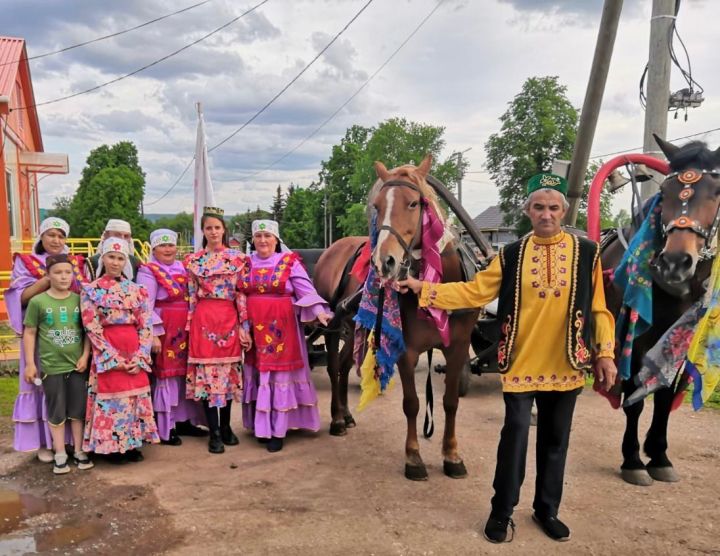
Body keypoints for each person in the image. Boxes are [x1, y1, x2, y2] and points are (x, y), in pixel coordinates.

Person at [399, 173, 618, 543]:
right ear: (527, 211)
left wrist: (606, 353)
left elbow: (598, 309)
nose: (546, 214)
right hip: (521, 362)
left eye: (552, 207)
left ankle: (547, 509)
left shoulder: (587, 253)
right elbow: (474, 292)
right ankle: (502, 511)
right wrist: (426, 290)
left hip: (566, 363)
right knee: (514, 435)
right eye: (538, 207)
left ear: (564, 210)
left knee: (555, 440)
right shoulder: (511, 254)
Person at [241, 220, 332, 453]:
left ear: (276, 239)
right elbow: (239, 294)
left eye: (268, 236)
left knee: (279, 377)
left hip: (283, 328)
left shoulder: (288, 262)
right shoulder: (245, 264)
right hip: (255, 329)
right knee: (261, 375)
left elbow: (305, 289)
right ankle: (262, 427)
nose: (263, 240)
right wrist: (242, 325)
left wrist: (320, 312)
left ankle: (278, 430)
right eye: (259, 235)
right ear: (253, 239)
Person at [6, 217, 87, 460]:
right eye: (51, 234)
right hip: (40, 333)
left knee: (70, 391)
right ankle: (44, 444)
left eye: (61, 236)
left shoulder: (74, 263)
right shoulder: (25, 262)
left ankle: (71, 443)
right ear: (42, 236)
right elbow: (19, 298)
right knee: (43, 388)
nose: (56, 240)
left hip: (69, 336)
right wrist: (46, 280)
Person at [81, 238, 159, 462]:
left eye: (120, 258)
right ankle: (112, 447)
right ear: (102, 258)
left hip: (134, 348)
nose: (115, 262)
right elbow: (91, 326)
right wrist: (112, 357)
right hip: (108, 349)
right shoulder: (91, 290)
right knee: (112, 400)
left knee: (133, 399)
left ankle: (132, 444)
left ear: (126, 261)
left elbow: (145, 324)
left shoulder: (138, 291)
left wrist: (140, 355)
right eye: (111, 257)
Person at [184, 207, 251, 454]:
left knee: (228, 374)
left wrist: (245, 326)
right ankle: (213, 432)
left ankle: (226, 427)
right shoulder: (193, 261)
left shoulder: (238, 259)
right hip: (204, 319)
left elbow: (242, 294)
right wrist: (189, 326)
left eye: (217, 227)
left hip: (228, 318)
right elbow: (191, 297)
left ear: (224, 230)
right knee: (208, 378)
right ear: (203, 231)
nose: (213, 232)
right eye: (208, 228)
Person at [22, 254, 93, 474]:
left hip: (76, 367)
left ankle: (80, 451)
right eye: (57, 272)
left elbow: (87, 332)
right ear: (48, 275)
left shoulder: (79, 300)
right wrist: (30, 364)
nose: (63, 277)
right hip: (51, 367)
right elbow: (30, 332)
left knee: (77, 411)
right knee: (56, 411)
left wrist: (85, 356)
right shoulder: (38, 302)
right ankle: (60, 453)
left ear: (73, 275)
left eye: (67, 272)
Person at [136, 229, 206, 445]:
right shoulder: (148, 271)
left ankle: (186, 421)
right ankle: (167, 426)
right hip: (165, 328)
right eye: (162, 246)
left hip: (185, 327)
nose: (167, 249)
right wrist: (154, 334)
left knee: (185, 374)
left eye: (171, 245)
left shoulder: (184, 267)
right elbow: (145, 304)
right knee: (166, 375)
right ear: (154, 248)